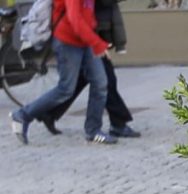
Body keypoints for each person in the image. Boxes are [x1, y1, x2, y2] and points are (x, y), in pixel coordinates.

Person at [9, 0, 118, 144]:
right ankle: (22, 115)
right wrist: (97, 43)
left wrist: (94, 37)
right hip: (68, 42)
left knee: (100, 83)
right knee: (66, 89)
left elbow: (87, 12)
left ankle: (93, 130)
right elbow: (75, 19)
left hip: (85, 40)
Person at [38, 0, 140, 138]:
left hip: (95, 27)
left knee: (88, 77)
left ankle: (49, 113)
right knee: (105, 78)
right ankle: (117, 123)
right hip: (89, 31)